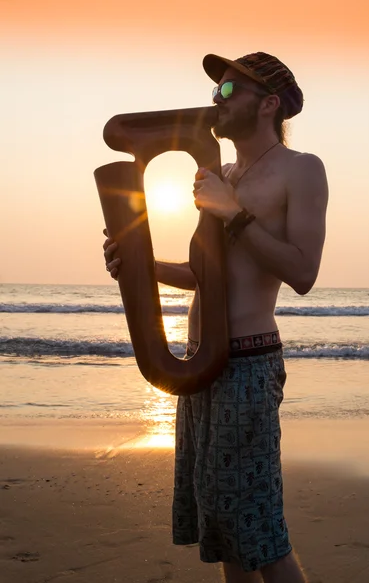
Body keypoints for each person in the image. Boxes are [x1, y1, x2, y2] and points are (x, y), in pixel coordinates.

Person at [103, 51, 328, 583]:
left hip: (247, 363)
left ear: (269, 103)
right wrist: (141, 266)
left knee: (261, 534)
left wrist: (236, 214)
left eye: (229, 90)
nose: (215, 100)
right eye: (215, 90)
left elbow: (304, 272)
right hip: (199, 367)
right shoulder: (220, 174)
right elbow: (208, 273)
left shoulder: (302, 170)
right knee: (224, 528)